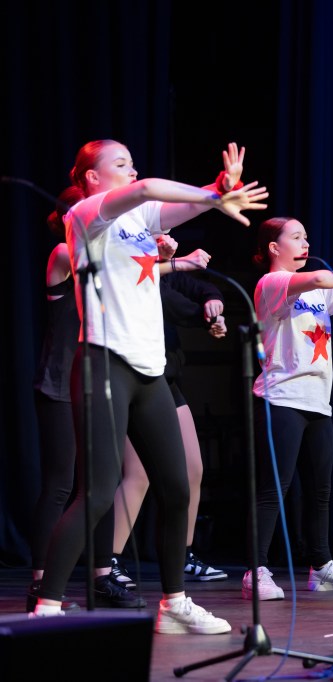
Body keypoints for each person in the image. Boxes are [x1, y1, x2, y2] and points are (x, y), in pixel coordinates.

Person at [32, 138, 267, 636]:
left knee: (177, 488)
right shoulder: (88, 214)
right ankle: (46, 608)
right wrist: (212, 193)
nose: (132, 170)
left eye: (133, 163)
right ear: (92, 177)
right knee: (96, 492)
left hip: (149, 368)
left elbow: (171, 206)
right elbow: (148, 190)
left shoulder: (139, 221)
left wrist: (215, 195)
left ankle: (175, 603)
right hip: (104, 361)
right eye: (120, 163)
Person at [28, 191, 205, 612]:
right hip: (68, 379)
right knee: (68, 485)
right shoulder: (68, 248)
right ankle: (42, 584)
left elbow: (130, 268)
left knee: (111, 482)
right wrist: (166, 258)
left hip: (121, 374)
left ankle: (103, 576)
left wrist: (164, 255)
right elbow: (111, 262)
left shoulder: (114, 246)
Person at [244, 216, 333, 600]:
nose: (305, 243)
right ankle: (256, 570)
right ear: (274, 247)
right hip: (281, 398)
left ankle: (321, 565)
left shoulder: (318, 287)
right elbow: (320, 278)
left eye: (306, 237)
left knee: (320, 490)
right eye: (296, 237)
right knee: (273, 489)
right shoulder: (273, 283)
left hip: (317, 400)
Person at [109, 239, 230, 590]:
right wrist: (206, 318)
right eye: (161, 231)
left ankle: (184, 554)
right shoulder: (135, 264)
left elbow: (196, 285)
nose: (170, 240)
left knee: (193, 468)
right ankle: (108, 561)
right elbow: (171, 303)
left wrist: (212, 300)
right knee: (138, 474)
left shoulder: (166, 268)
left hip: (166, 377)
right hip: (136, 376)